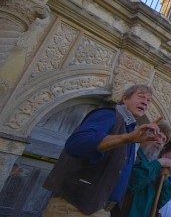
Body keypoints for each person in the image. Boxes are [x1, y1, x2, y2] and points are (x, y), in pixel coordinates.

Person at [43, 84, 161, 216]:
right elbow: (76, 144)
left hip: (102, 209)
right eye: (141, 96)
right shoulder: (108, 115)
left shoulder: (131, 131)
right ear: (125, 98)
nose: (145, 101)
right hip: (73, 207)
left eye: (149, 100)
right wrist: (127, 138)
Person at [116, 131, 171, 217]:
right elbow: (132, 183)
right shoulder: (132, 154)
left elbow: (162, 201)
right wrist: (158, 163)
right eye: (158, 135)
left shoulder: (157, 168)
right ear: (146, 135)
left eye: (163, 139)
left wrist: (165, 179)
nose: (160, 142)